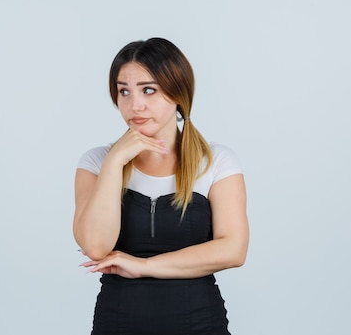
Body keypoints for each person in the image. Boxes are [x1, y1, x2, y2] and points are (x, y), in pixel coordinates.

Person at [73, 38, 249, 335]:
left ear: (179, 92)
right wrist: (115, 162)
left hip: (200, 325)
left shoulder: (216, 161)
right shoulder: (96, 162)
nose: (134, 105)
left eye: (148, 89)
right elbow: (95, 246)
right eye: (123, 91)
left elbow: (233, 249)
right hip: (116, 325)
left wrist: (143, 266)